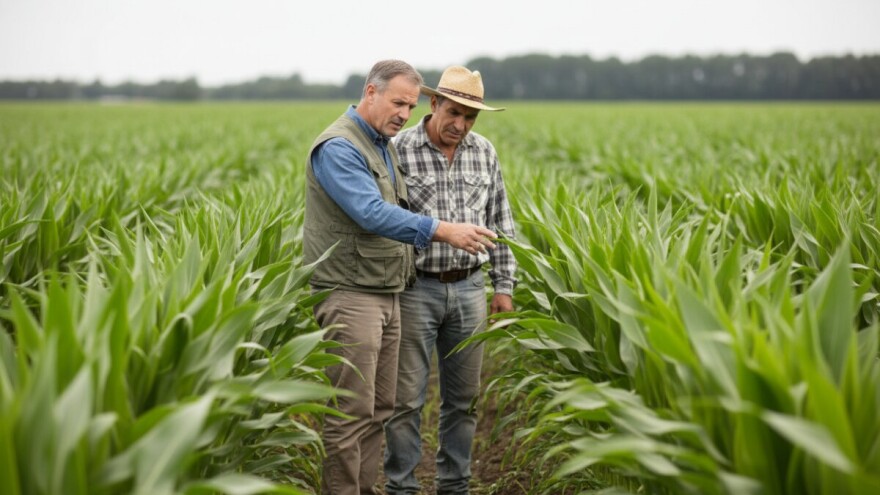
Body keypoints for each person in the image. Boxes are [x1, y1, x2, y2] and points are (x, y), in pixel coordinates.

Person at [303, 60, 498, 495]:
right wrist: (443, 230)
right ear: (370, 92)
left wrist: (502, 281)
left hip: (386, 290)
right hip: (351, 291)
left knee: (378, 409)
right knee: (352, 413)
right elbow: (371, 213)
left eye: (409, 106)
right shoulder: (340, 147)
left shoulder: (381, 145)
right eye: (398, 103)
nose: (403, 114)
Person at [384, 66, 517, 494]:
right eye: (454, 112)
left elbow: (501, 222)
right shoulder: (397, 150)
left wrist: (504, 287)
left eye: (471, 117)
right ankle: (401, 487)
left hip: (470, 290)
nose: (460, 125)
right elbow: (384, 218)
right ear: (434, 103)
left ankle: (454, 486)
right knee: (405, 402)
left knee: (463, 401)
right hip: (414, 289)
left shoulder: (484, 152)